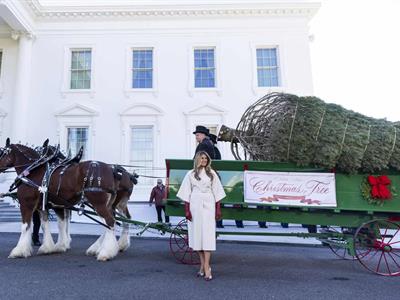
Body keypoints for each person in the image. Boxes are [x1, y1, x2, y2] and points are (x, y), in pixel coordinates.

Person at [177, 151, 226, 281]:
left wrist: (218, 209)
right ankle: (204, 266)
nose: (204, 160)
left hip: (209, 204)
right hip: (195, 204)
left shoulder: (212, 174)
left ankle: (206, 266)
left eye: (206, 158)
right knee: (197, 235)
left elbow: (218, 193)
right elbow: (186, 194)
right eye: (202, 158)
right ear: (198, 159)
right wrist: (187, 210)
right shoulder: (190, 174)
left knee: (208, 235)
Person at [209, 133, 224, 229]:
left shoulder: (214, 151)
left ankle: (218, 222)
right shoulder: (214, 150)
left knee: (217, 199)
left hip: (213, 176)